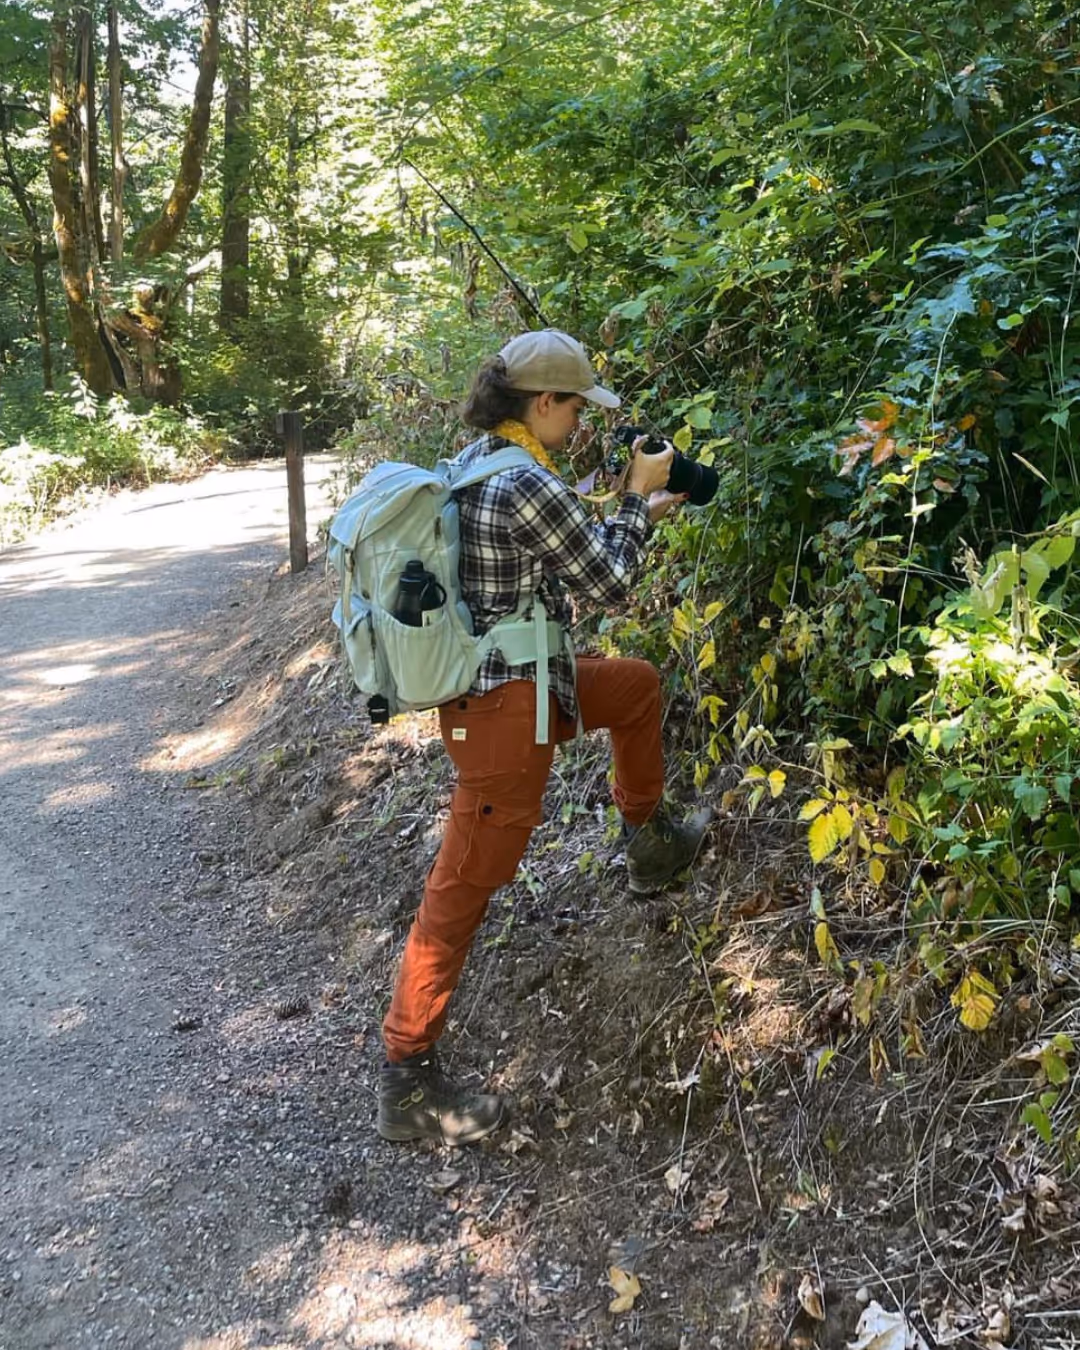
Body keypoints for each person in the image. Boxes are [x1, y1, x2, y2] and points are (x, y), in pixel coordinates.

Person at [378, 329, 712, 1145]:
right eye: (577, 409)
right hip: (503, 717)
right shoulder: (524, 479)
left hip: (527, 686)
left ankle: (650, 844)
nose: (583, 425)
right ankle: (407, 1078)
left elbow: (563, 553)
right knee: (459, 891)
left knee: (634, 688)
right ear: (545, 404)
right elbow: (613, 582)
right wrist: (637, 499)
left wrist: (639, 511)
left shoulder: (477, 461)